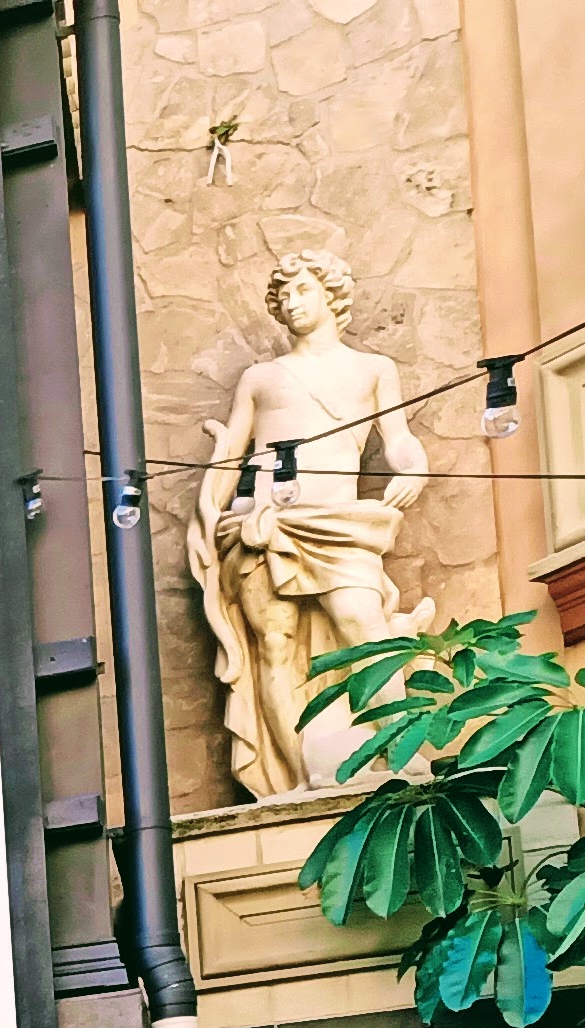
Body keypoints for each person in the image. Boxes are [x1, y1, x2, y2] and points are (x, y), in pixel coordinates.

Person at [187, 250, 434, 801]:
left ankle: (398, 746)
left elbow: (397, 439)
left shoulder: (372, 370)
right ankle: (302, 772)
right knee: (275, 645)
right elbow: (233, 453)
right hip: (264, 524)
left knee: (361, 623)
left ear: (332, 294)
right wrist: (211, 517)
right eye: (285, 295)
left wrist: (414, 466)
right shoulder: (261, 378)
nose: (293, 303)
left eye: (304, 290)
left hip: (340, 525)